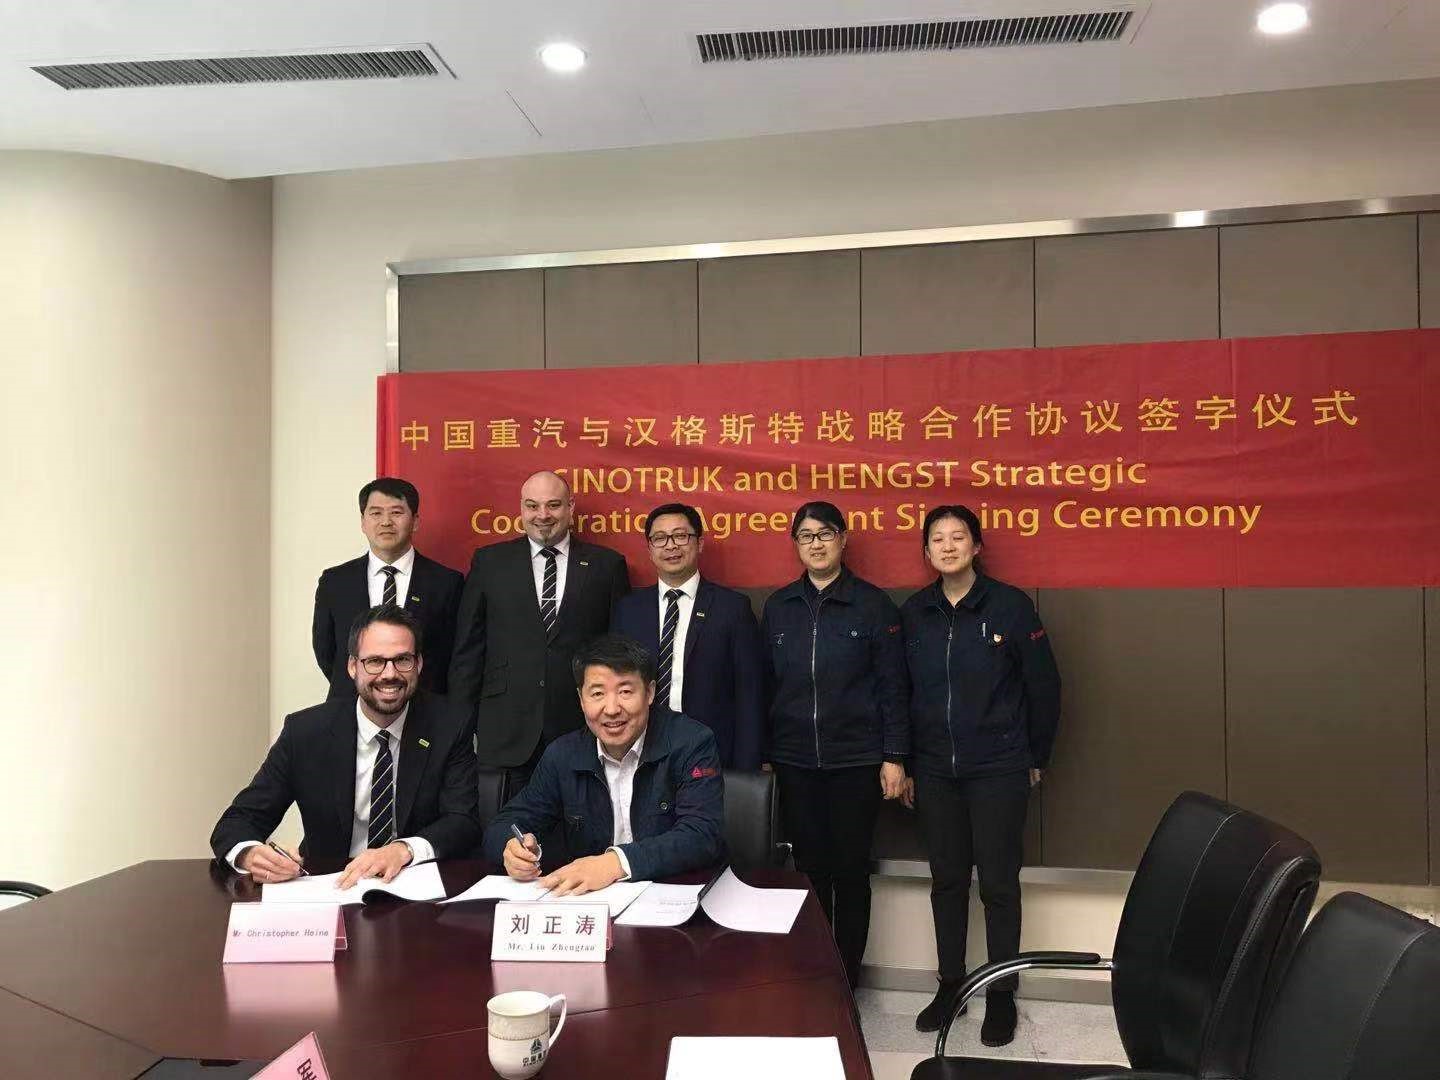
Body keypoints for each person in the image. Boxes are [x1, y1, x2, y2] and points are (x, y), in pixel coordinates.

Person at [900, 505, 1061, 1046]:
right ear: (926, 552)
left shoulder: (1011, 607)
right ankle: (951, 986)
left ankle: (999, 994)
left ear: (976, 546)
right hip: (935, 771)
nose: (947, 547)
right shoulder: (915, 612)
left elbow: (1045, 688)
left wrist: (1034, 756)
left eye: (958, 537)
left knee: (998, 885)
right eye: (937, 540)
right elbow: (900, 694)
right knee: (947, 881)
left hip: (999, 768)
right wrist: (903, 759)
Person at [212, 605, 482, 887]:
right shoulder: (305, 733)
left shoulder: (449, 725)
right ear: (353, 666)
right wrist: (250, 854)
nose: (389, 674)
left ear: (419, 664)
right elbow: (238, 821)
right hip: (329, 885)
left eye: (402, 660)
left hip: (412, 888)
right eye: (375, 661)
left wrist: (404, 850)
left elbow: (463, 821)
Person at [761, 501, 909, 989]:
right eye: (805, 536)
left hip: (856, 761)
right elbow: (766, 686)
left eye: (825, 534)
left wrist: (895, 756)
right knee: (808, 871)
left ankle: (846, 978)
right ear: (796, 545)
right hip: (795, 761)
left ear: (843, 540)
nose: (816, 543)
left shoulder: (873, 604)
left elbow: (893, 686)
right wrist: (765, 754)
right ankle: (813, 975)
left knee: (850, 871)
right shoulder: (779, 607)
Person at [482, 633, 725, 892]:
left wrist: (615, 863)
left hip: (673, 897)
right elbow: (505, 824)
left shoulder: (691, 742)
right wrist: (511, 847)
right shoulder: (563, 755)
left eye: (625, 692)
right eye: (597, 693)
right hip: (591, 906)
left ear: (650, 692)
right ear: (581, 699)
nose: (611, 709)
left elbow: (702, 835)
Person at [449, 470, 630, 788]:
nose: (542, 515)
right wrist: (462, 727)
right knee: (506, 832)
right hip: (505, 728)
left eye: (553, 505)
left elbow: (617, 652)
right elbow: (468, 648)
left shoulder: (607, 565)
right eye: (532, 506)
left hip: (579, 725)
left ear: (571, 508)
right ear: (521, 509)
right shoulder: (490, 562)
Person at [611, 503, 765, 770]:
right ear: (649, 549)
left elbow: (749, 693)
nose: (671, 546)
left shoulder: (732, 608)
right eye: (660, 538)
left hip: (709, 752)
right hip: (639, 751)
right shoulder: (628, 610)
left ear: (700, 543)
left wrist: (747, 766)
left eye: (681, 536)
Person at [312, 477, 463, 699]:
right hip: (350, 709)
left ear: (415, 521)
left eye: (396, 512)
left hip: (425, 710)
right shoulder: (335, 582)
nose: (386, 522)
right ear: (363, 522)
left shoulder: (447, 583)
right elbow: (326, 652)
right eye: (376, 513)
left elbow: (454, 655)